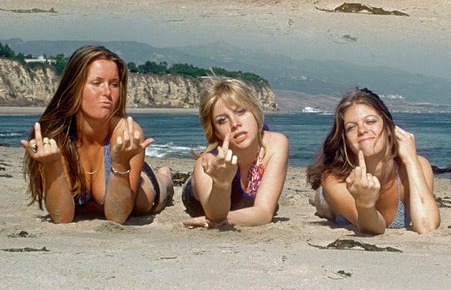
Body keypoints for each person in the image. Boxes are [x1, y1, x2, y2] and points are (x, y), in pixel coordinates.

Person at [21, 45, 173, 223]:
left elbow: (117, 217)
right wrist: (52, 165)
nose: (107, 92)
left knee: (159, 188)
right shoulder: (55, 135)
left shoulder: (127, 133)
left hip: (136, 178)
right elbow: (62, 218)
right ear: (74, 87)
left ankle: (165, 175)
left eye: (114, 84)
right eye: (96, 83)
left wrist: (120, 163)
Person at [307, 88, 440, 234]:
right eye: (351, 127)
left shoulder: (417, 165)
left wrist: (411, 159)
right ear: (345, 139)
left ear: (388, 126)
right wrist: (365, 204)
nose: (362, 130)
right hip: (332, 202)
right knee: (323, 201)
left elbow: (427, 226)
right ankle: (318, 196)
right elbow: (374, 228)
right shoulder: (334, 178)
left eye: (370, 121)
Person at [181, 79, 288, 227]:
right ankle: (165, 175)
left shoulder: (275, 144)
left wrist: (226, 219)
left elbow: (264, 213)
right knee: (163, 186)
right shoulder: (207, 163)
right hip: (197, 196)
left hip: (241, 205)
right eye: (222, 120)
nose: (235, 123)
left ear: (255, 112)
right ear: (215, 131)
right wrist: (221, 182)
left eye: (241, 111)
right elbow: (215, 215)